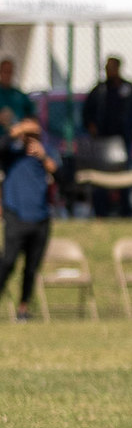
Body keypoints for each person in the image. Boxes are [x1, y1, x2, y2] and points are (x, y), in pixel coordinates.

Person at [0, 118, 57, 321]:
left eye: (35, 135)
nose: (31, 139)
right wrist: (15, 131)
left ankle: (23, 309)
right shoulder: (12, 155)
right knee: (7, 262)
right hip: (16, 216)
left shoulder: (45, 154)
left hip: (41, 218)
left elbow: (63, 175)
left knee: (31, 268)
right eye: (28, 135)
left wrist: (43, 157)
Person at [81, 56, 132, 217]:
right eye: (107, 68)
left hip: (123, 142)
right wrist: (92, 127)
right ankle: (101, 213)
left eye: (112, 68)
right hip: (102, 144)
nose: (109, 71)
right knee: (100, 182)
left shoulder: (129, 89)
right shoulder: (100, 91)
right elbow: (86, 114)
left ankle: (126, 213)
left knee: (125, 178)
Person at [0, 57, 30, 127]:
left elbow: (31, 114)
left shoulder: (19, 95)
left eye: (10, 72)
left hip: (19, 132)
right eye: (5, 71)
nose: (7, 75)